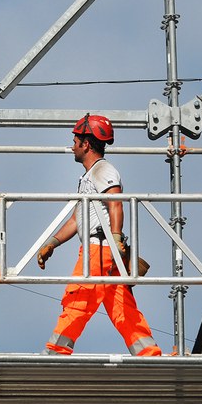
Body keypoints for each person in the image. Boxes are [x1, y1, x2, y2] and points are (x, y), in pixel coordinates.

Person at [36, 113, 161, 356]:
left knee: (78, 296)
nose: (72, 145)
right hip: (106, 249)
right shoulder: (89, 176)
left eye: (75, 140)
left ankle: (57, 350)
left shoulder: (102, 170)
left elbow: (115, 203)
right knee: (121, 305)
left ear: (86, 144)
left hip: (99, 248)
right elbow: (76, 219)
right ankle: (148, 352)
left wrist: (115, 239)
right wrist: (52, 243)